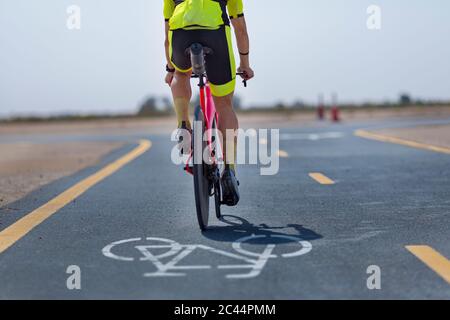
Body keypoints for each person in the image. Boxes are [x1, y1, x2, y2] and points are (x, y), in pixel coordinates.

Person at [163, 0, 254, 206]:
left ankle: (183, 123)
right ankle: (229, 168)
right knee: (224, 104)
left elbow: (167, 35)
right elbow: (240, 28)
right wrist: (245, 64)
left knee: (180, 74)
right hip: (215, 35)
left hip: (180, 33)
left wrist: (170, 68)